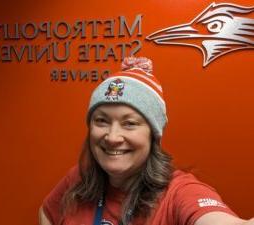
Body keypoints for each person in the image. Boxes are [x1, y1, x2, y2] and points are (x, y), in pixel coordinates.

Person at [39, 57, 254, 225]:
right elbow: (46, 212)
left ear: (153, 134)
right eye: (101, 120)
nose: (112, 137)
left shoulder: (179, 192)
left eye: (130, 123)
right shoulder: (79, 178)